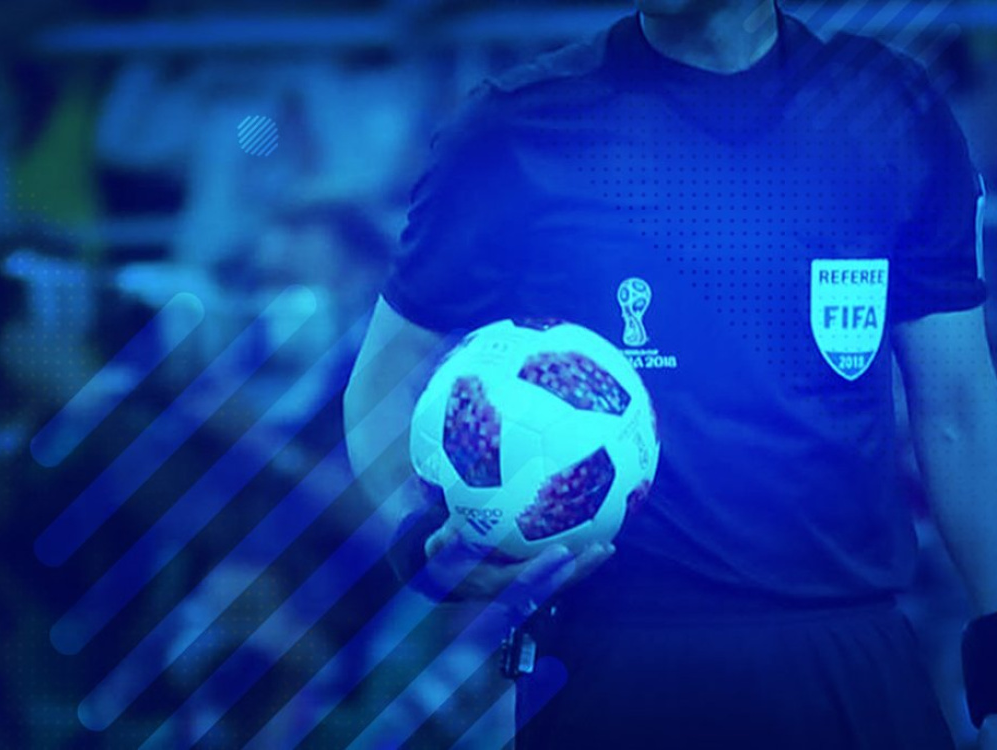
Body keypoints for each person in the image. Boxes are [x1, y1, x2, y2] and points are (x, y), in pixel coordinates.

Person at [343, 1, 997, 747]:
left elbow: (959, 405)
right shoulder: (514, 125)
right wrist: (422, 535)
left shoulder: (889, 108)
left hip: (849, 648)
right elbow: (385, 370)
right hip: (613, 657)